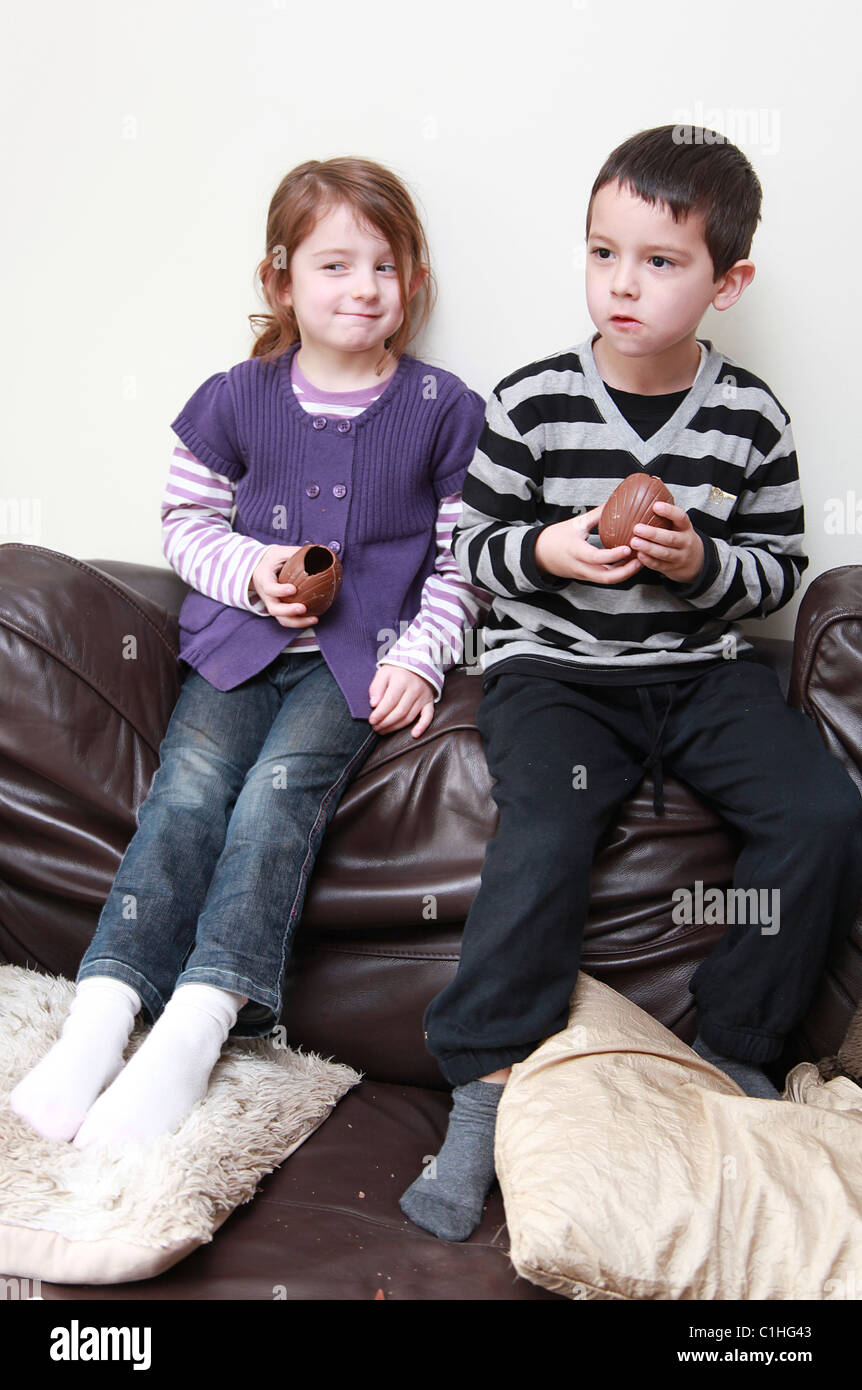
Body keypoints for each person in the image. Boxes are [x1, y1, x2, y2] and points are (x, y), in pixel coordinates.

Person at [400, 125, 862, 1242]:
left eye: (660, 261)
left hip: (696, 672)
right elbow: (474, 549)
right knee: (546, 826)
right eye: (605, 252)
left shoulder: (752, 419)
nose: (624, 283)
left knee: (821, 812)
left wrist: (700, 562)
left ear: (725, 282)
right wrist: (549, 551)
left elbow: (775, 573)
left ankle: (731, 1047)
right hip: (557, 672)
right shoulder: (532, 400)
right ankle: (483, 1084)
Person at [11, 156, 488, 1148]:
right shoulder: (235, 397)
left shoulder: (444, 409)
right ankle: (103, 1011)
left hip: (354, 662)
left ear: (414, 281)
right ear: (280, 281)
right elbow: (186, 523)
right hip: (235, 646)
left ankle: (201, 1020)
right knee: (186, 792)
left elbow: (462, 562)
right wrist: (252, 570)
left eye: (386, 267)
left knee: (275, 797)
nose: (363, 288)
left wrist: (422, 657)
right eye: (335, 265)